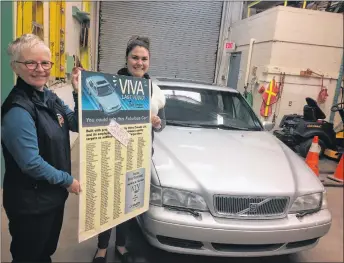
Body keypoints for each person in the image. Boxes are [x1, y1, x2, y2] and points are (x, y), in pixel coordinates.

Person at [1, 33, 82, 263]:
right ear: (15, 67)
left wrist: (77, 91)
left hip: (51, 199)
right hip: (31, 205)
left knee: (44, 253)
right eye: (30, 62)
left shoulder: (48, 95)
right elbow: (31, 163)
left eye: (45, 62)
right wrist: (67, 180)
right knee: (29, 256)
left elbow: (75, 122)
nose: (40, 69)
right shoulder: (18, 109)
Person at [93, 36, 166, 263]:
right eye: (135, 57)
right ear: (126, 59)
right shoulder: (113, 85)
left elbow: (162, 125)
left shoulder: (154, 90)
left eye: (144, 58)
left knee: (128, 205)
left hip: (139, 157)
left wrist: (156, 123)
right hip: (113, 156)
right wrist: (127, 138)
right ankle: (102, 248)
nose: (139, 62)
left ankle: (121, 245)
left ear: (149, 62)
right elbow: (100, 122)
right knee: (109, 203)